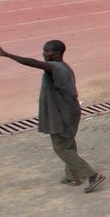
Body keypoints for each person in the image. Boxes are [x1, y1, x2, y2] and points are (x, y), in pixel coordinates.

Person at [1, 40, 104, 192]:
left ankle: (92, 175)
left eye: (46, 51)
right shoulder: (61, 67)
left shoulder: (55, 67)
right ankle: (73, 176)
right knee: (68, 144)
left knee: (61, 148)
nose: (43, 53)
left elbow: (32, 63)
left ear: (56, 54)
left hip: (63, 113)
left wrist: (8, 55)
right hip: (67, 111)